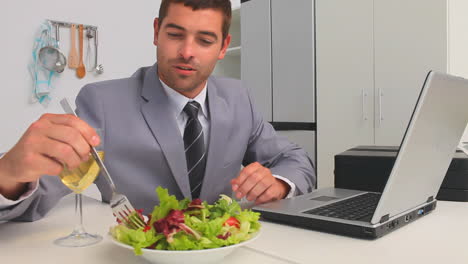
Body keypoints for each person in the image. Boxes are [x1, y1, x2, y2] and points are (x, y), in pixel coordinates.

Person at [0, 0, 315, 221]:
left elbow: (297, 161)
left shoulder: (239, 97)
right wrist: (8, 177)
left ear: (223, 46)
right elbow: (40, 193)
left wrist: (278, 182)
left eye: (204, 40)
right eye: (175, 35)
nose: (187, 52)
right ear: (156, 32)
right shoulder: (102, 102)